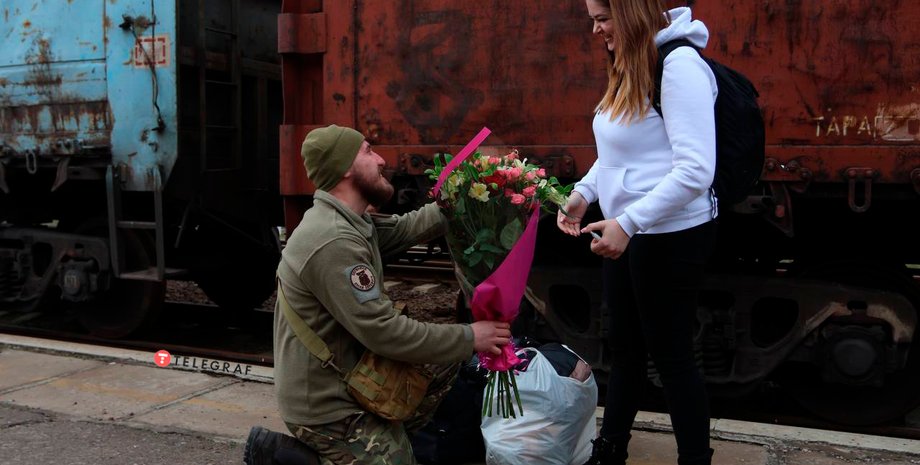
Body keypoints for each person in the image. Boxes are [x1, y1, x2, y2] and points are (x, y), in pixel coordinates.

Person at [245, 124, 512, 465]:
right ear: (344, 168)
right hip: (327, 404)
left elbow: (407, 228)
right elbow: (384, 333)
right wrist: (470, 335)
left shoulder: (351, 222)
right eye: (368, 152)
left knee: (445, 365)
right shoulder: (333, 239)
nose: (382, 160)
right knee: (399, 459)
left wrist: (470, 190)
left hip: (355, 377)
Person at [557, 1, 718, 464]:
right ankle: (611, 451)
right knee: (624, 351)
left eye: (602, 18)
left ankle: (694, 459)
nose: (595, 29)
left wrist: (627, 222)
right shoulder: (633, 60)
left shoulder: (679, 65)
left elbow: (695, 171)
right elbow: (620, 151)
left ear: (630, 12)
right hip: (629, 231)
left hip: (671, 235)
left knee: (671, 358)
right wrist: (583, 194)